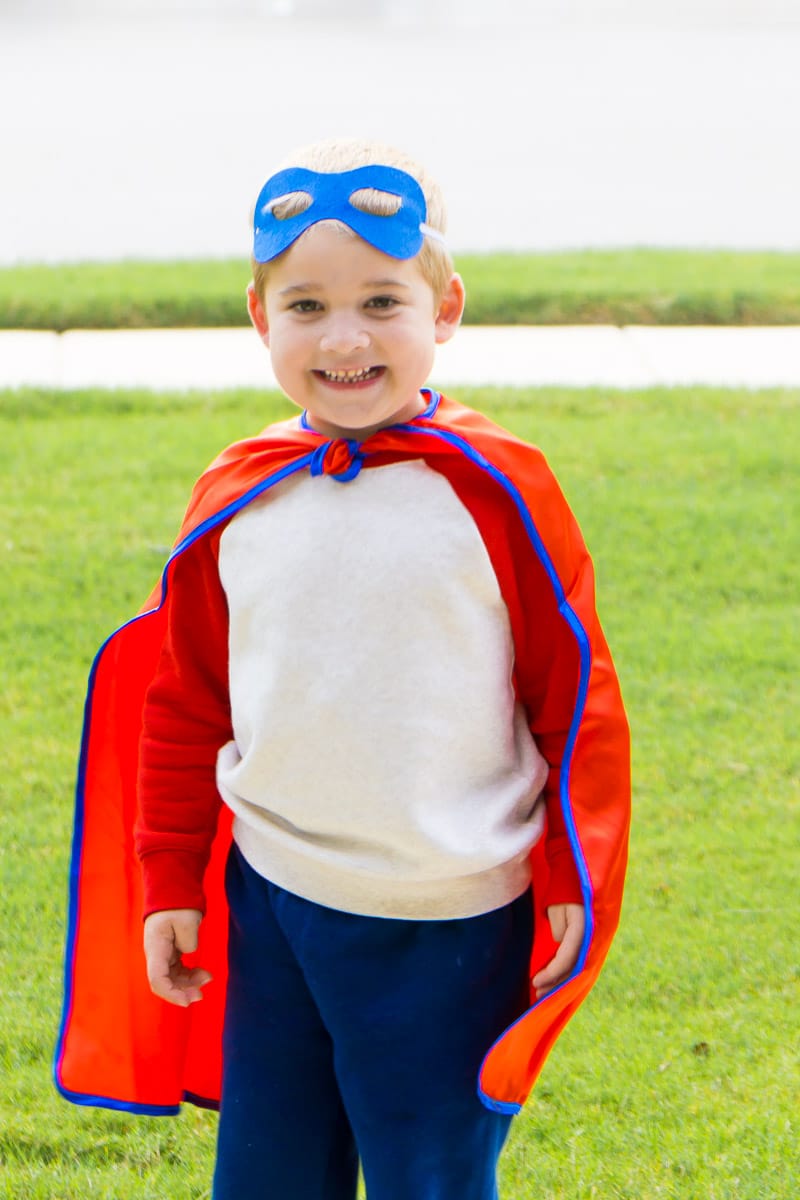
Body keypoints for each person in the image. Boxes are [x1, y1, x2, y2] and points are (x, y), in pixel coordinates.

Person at [55, 138, 630, 1200]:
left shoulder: (498, 493)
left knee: (428, 1178)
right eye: (306, 306)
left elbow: (572, 702)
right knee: (269, 1176)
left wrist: (563, 878)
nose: (345, 336)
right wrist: (168, 880)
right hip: (273, 897)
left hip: (448, 913)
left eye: (380, 299)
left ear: (444, 307)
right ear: (258, 318)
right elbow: (184, 701)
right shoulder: (242, 491)